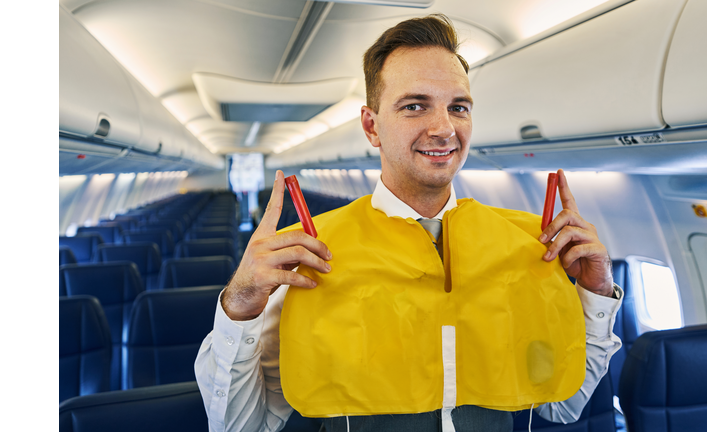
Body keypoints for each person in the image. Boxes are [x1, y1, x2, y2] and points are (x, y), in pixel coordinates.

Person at [195, 14, 623, 432]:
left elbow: (561, 406)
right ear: (371, 126)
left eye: (458, 107)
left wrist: (596, 294)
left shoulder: (525, 248)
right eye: (415, 106)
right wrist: (240, 304)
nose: (444, 128)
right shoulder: (309, 254)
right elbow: (238, 425)